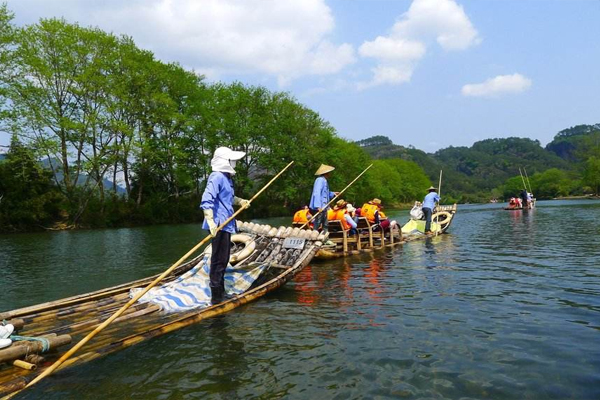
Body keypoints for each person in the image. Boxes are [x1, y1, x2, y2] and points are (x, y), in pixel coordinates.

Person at [201, 147, 250, 305]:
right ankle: (216, 296)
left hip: (227, 222)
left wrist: (240, 201)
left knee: (224, 258)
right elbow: (207, 198)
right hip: (218, 223)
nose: (234, 163)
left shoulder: (227, 178)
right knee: (218, 259)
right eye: (231, 160)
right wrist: (210, 220)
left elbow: (228, 197)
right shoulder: (216, 177)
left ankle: (221, 291)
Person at [309, 164, 337, 233]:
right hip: (320, 206)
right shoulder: (320, 180)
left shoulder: (324, 181)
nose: (330, 174)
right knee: (318, 222)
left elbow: (325, 193)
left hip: (324, 206)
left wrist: (333, 194)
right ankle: (314, 236)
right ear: (326, 173)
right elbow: (317, 192)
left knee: (325, 223)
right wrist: (318, 206)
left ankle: (325, 238)